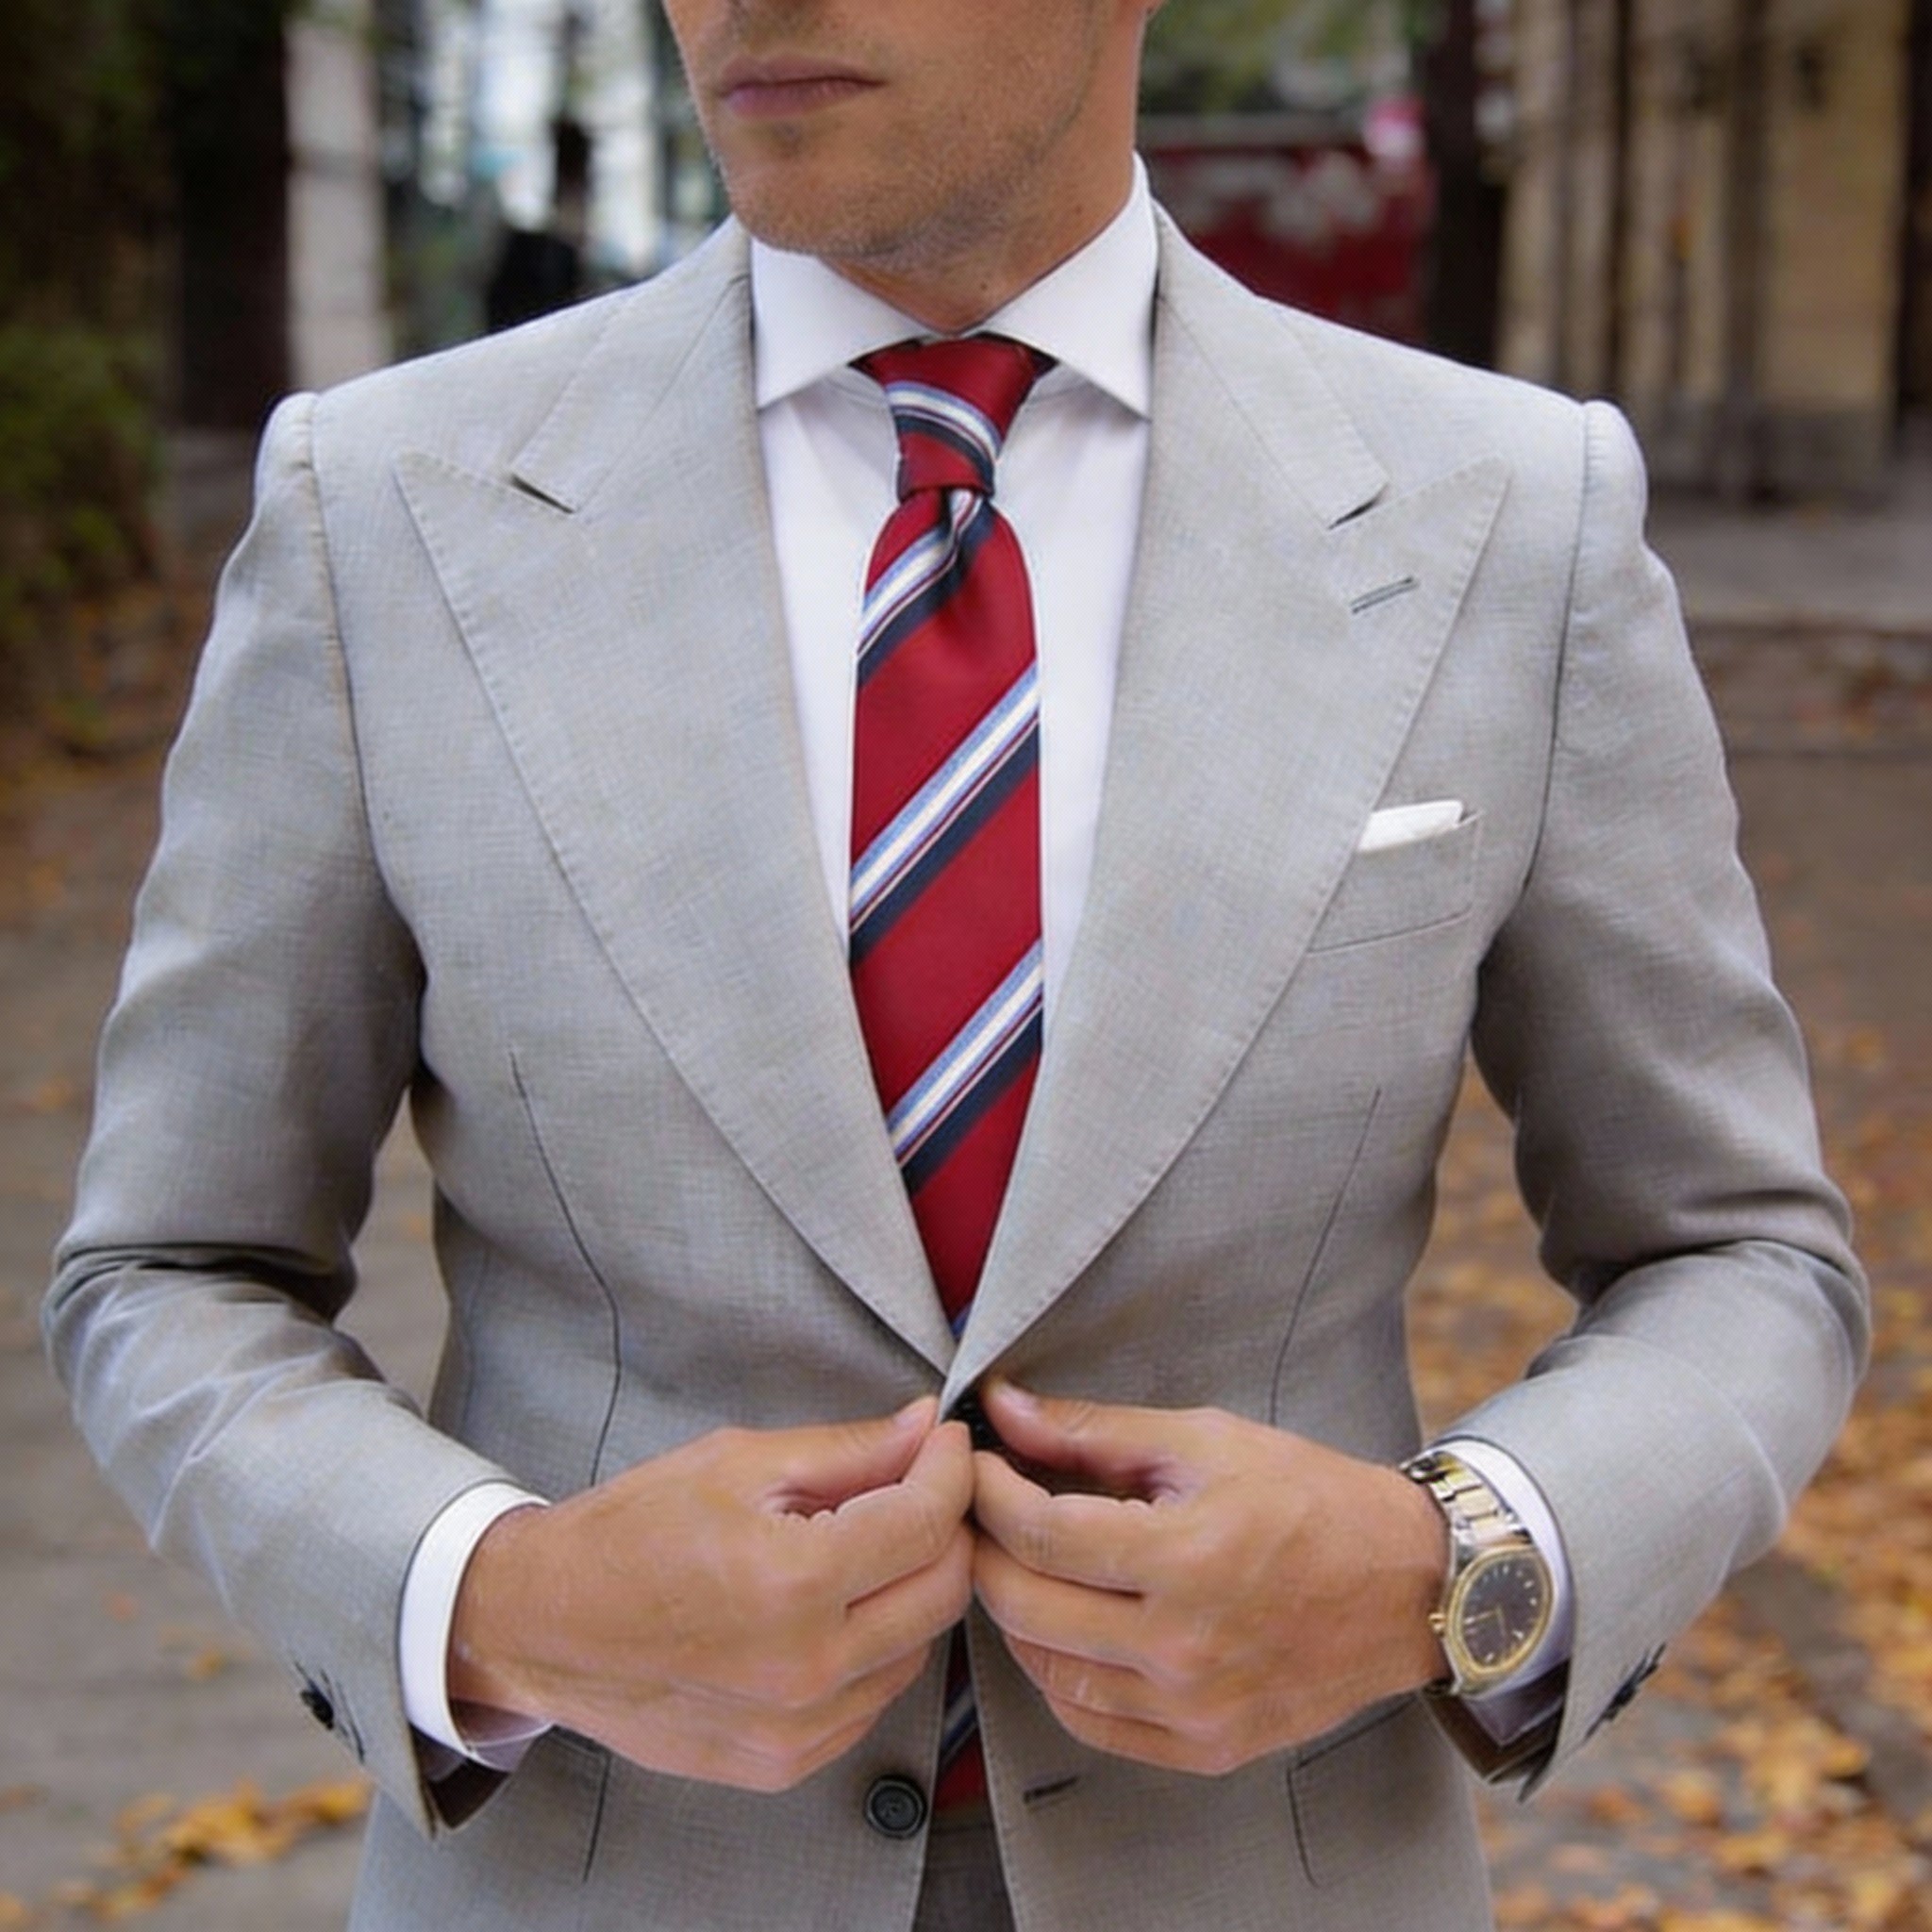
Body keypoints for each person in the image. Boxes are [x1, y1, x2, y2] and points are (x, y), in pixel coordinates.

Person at [47, 1, 1866, 1927]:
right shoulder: (384, 512)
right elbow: (169, 1265)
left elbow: (1739, 1254)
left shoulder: (1506, 517)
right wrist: (495, 1599)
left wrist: (1455, 1561)